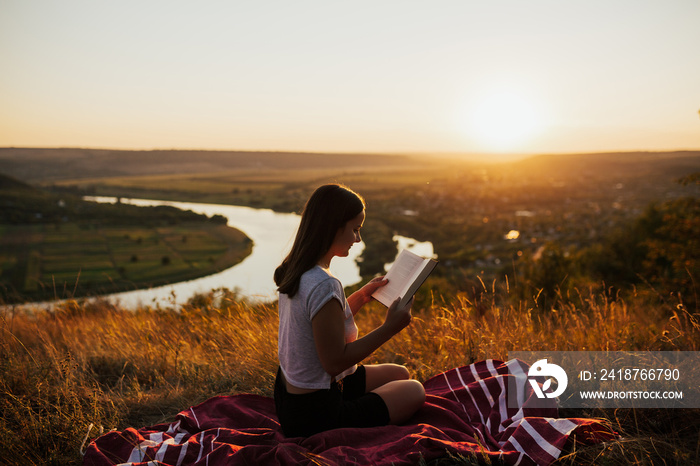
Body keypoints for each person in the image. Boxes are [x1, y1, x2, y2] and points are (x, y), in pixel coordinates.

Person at [273, 183, 426, 437]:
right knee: (415, 390)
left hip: (290, 398)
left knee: (400, 373)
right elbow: (334, 362)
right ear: (333, 226)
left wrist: (359, 298)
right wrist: (390, 328)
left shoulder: (299, 270)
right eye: (355, 230)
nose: (358, 239)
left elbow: (319, 328)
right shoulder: (324, 283)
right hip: (315, 413)